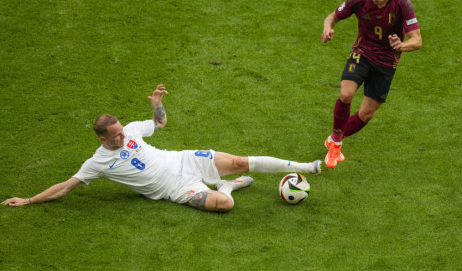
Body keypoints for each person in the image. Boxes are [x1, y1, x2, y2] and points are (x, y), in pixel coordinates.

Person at [2, 84, 322, 212]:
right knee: (225, 205)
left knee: (240, 160)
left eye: (121, 132)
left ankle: (305, 167)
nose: (123, 137)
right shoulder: (97, 163)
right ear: (103, 139)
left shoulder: (130, 131)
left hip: (185, 160)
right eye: (115, 136)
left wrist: (157, 105)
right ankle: (228, 188)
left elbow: (159, 125)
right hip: (174, 189)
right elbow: (65, 187)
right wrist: (28, 200)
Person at [320, 0, 422, 168]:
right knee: (346, 94)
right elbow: (332, 16)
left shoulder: (402, 3)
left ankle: (333, 139)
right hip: (362, 53)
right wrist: (327, 28)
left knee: (366, 114)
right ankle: (337, 145)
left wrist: (402, 45)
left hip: (386, 62)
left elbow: (417, 40)